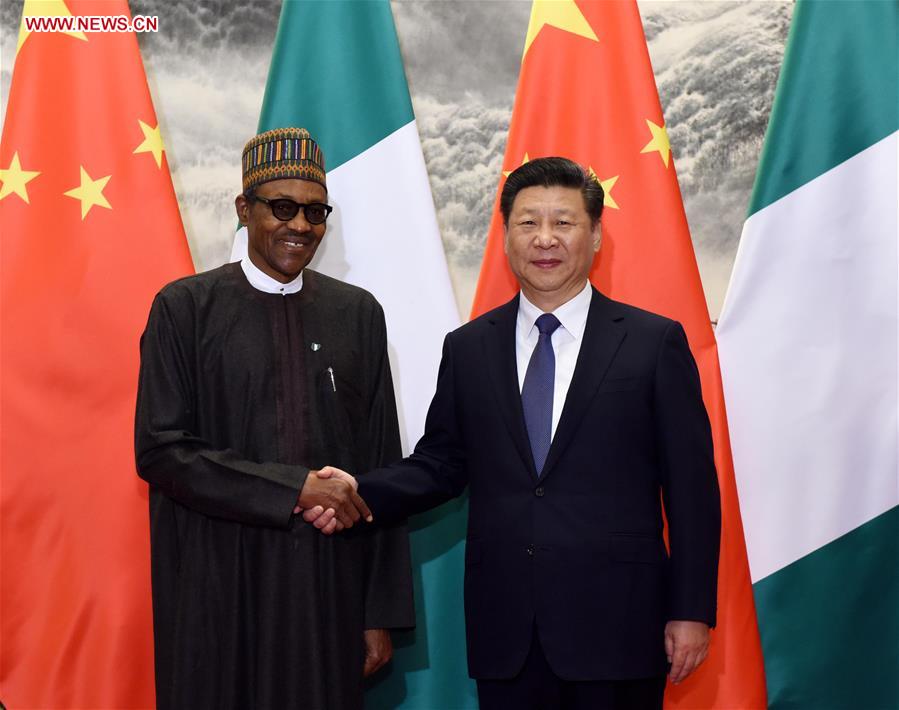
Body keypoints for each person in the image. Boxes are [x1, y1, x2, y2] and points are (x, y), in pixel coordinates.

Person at [309, 157, 721, 710]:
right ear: (506, 237)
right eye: (528, 223)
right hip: (509, 631)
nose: (545, 238)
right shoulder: (470, 347)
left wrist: (691, 609)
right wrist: (354, 491)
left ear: (596, 234)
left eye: (564, 222)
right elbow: (440, 465)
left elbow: (693, 491)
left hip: (619, 625)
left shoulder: (653, 343)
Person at [134, 127, 414, 710]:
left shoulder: (357, 313)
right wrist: (294, 488)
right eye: (281, 208)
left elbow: (382, 465)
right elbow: (161, 449)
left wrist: (378, 613)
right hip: (216, 583)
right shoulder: (184, 308)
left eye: (315, 212)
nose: (301, 226)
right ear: (245, 209)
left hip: (326, 590)